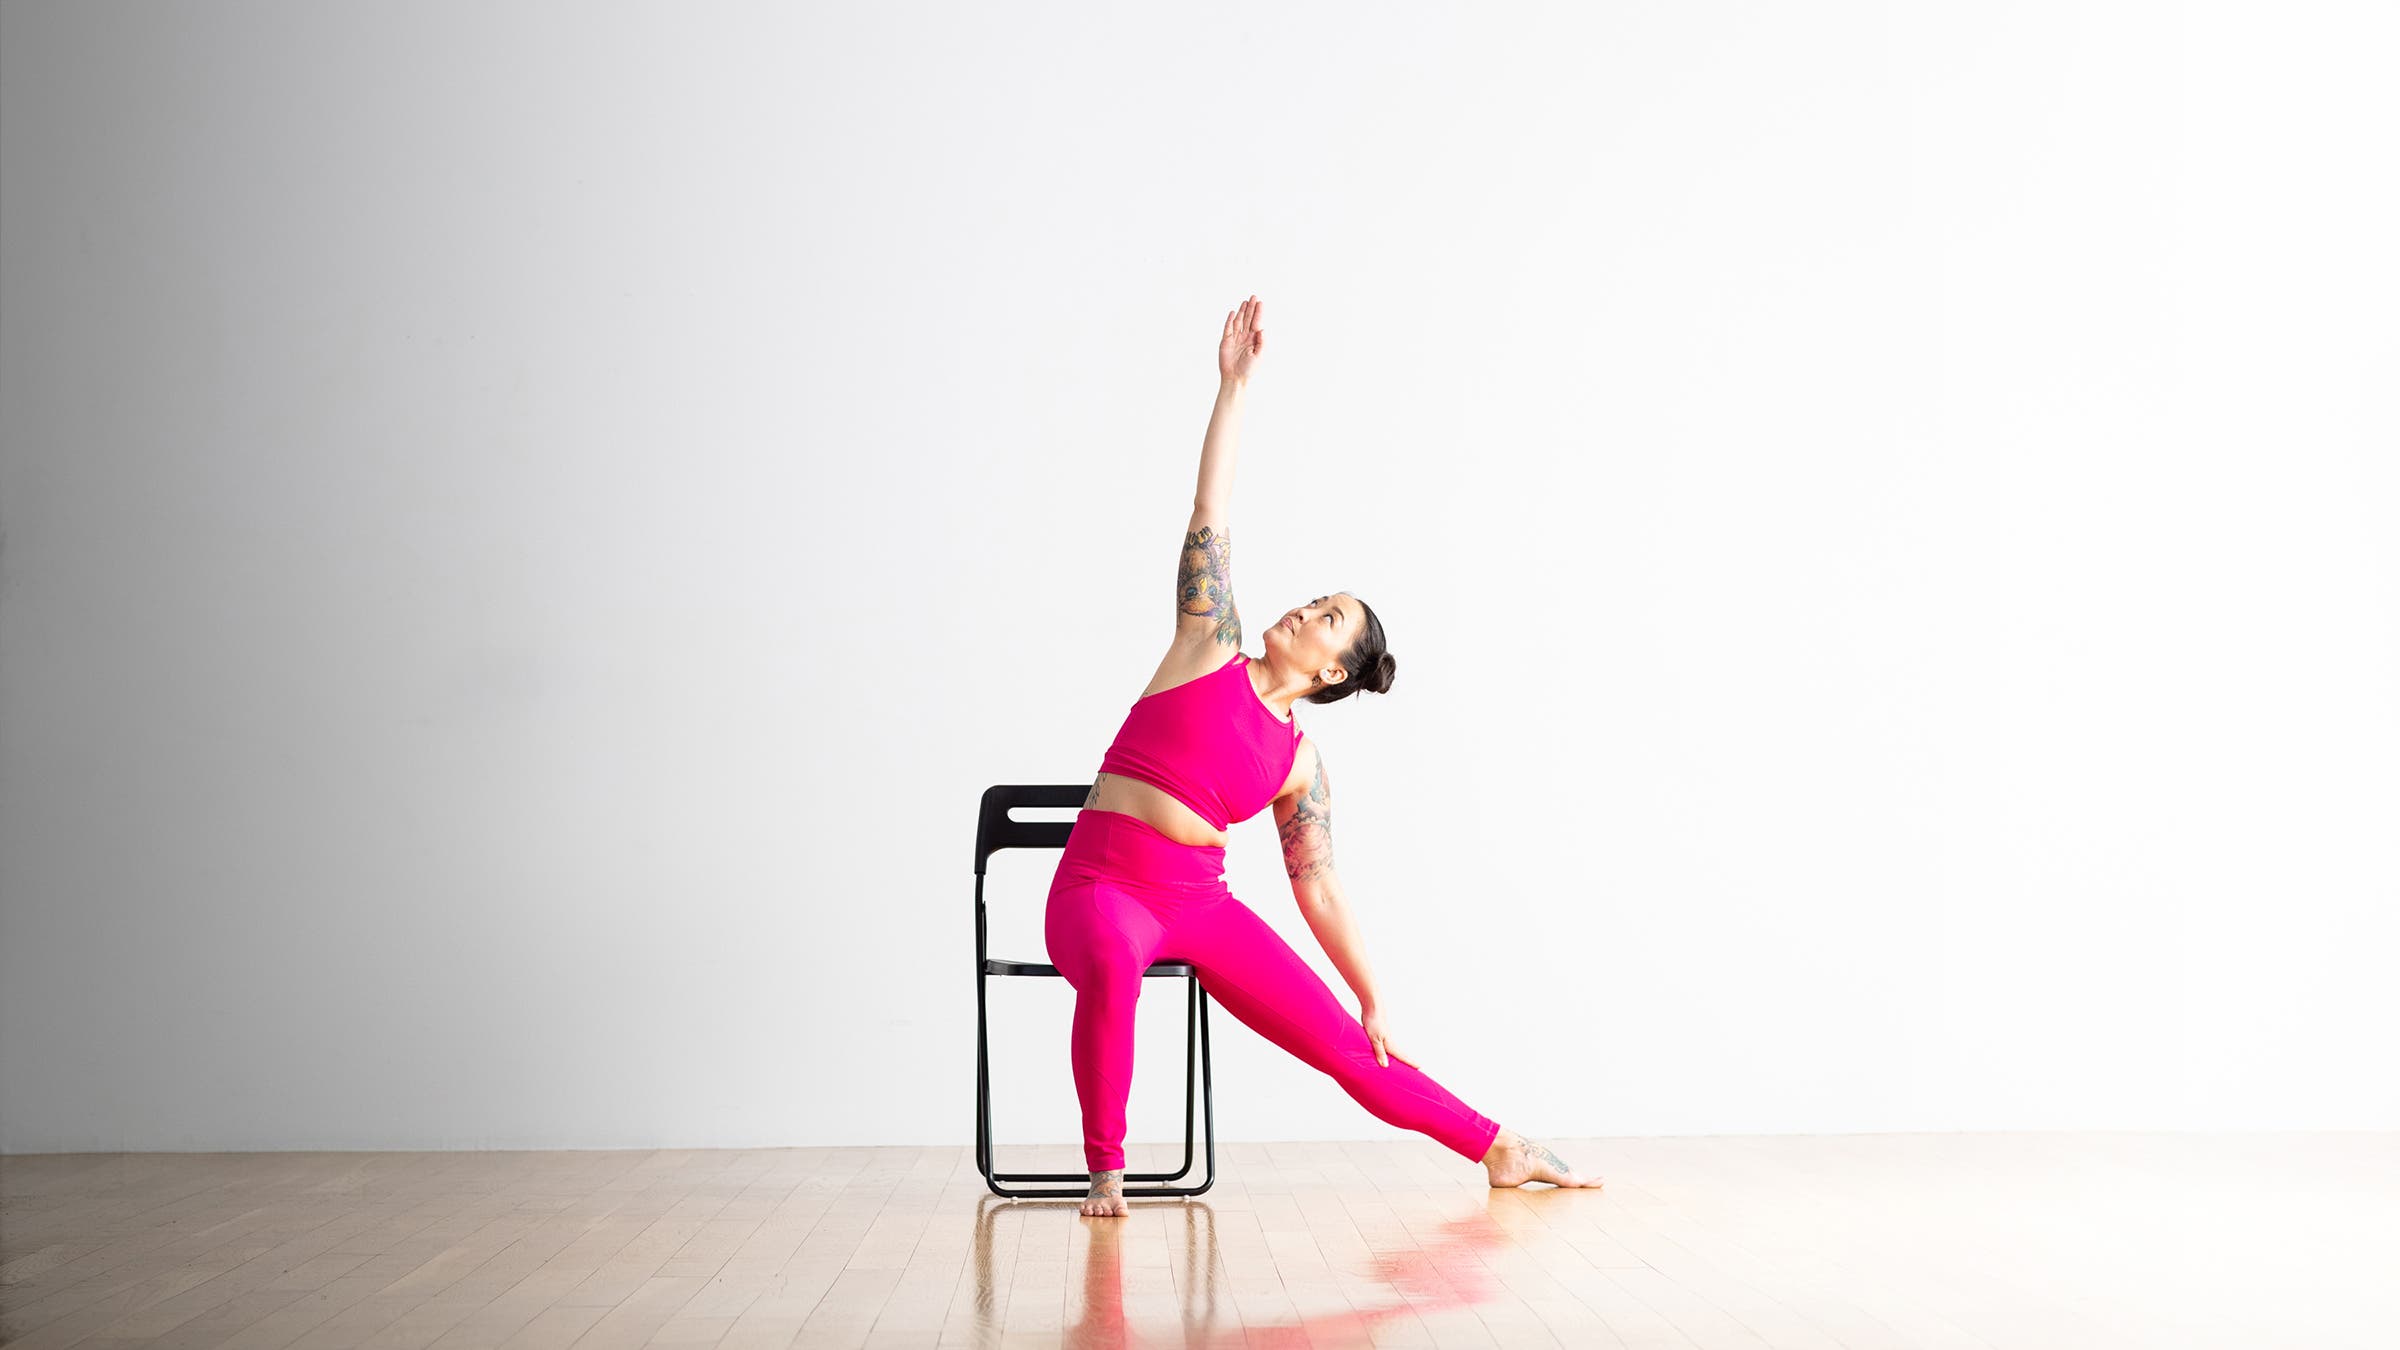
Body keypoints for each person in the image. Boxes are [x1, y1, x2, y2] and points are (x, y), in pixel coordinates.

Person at [1048, 295, 1603, 1217]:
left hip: (1196, 902)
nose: (1305, 610)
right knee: (1111, 957)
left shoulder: (1299, 764)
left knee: (1349, 1046)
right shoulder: (1208, 643)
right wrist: (1232, 389)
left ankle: (1499, 1146)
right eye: (1314, 599)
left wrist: (1372, 995)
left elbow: (1320, 888)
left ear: (1334, 669)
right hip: (1099, 887)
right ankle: (1105, 1169)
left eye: (1327, 618)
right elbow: (1210, 508)